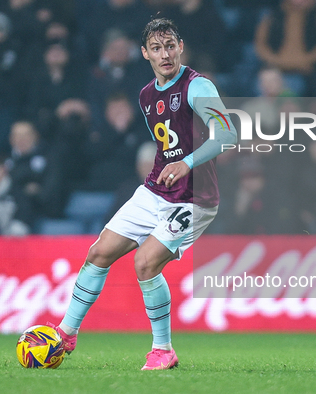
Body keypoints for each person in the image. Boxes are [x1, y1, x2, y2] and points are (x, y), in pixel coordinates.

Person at [49, 18, 236, 370]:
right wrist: (172, 165)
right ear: (144, 53)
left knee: (145, 262)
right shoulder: (146, 95)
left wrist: (187, 163)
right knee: (99, 252)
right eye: (156, 48)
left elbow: (227, 135)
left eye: (170, 46)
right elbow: (169, 144)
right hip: (155, 190)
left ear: (180, 47)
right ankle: (66, 332)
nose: (164, 54)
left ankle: (163, 349)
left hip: (193, 197)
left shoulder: (198, 86)